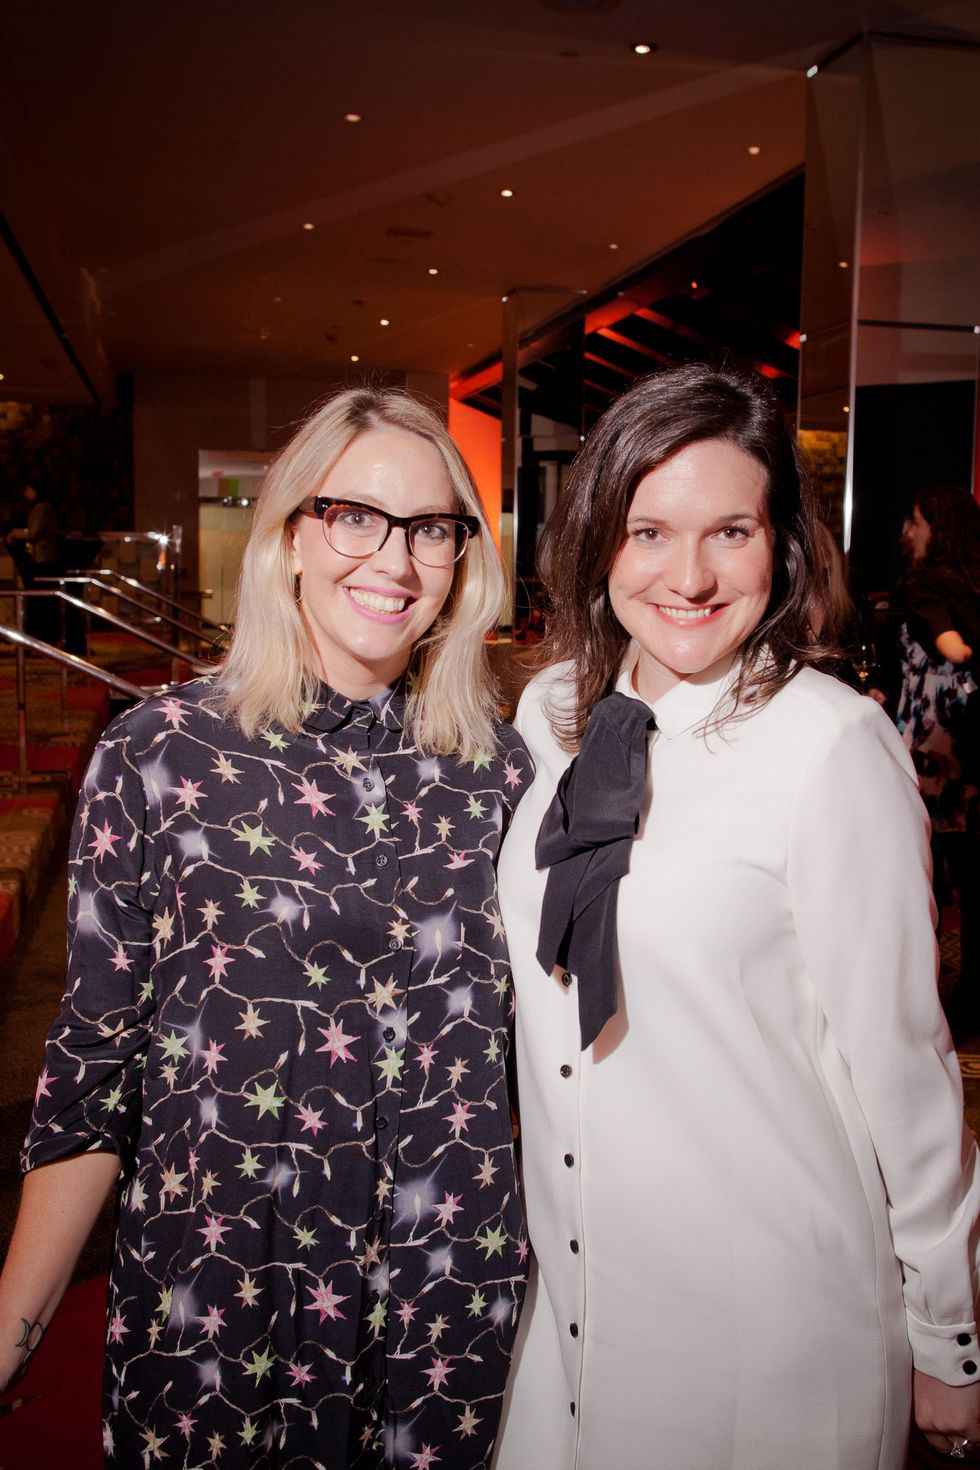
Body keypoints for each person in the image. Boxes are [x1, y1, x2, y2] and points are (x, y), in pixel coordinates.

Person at [0, 389, 531, 1469]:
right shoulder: (160, 754)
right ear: (289, 534)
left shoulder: (497, 774)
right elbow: (94, 1073)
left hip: (435, 1303)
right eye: (354, 516)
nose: (394, 559)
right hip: (221, 1295)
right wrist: (9, 1335)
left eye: (431, 527)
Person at [493, 364, 980, 1470]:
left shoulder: (829, 748)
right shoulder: (551, 721)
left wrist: (944, 1335)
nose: (691, 576)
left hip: (766, 1323)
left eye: (730, 530)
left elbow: (903, 1067)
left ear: (782, 546)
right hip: (570, 1306)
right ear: (596, 543)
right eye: (649, 531)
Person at [897, 485, 980, 1041]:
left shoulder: (925, 585)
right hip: (966, 743)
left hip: (936, 744)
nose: (907, 531)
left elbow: (952, 650)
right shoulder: (971, 583)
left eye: (916, 521)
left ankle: (925, 1001)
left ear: (937, 530)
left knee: (920, 874)